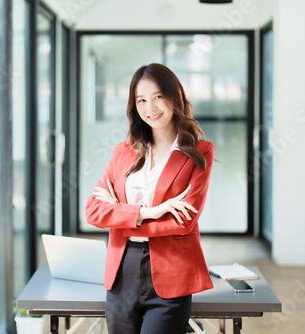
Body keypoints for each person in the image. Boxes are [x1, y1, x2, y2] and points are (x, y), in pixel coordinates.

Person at [85, 63, 215, 334]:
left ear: (174, 96)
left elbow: (184, 222)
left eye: (158, 97)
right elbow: (93, 211)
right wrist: (150, 212)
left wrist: (119, 211)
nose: (150, 108)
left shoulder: (198, 152)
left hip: (172, 269)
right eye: (141, 100)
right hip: (122, 271)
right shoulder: (123, 152)